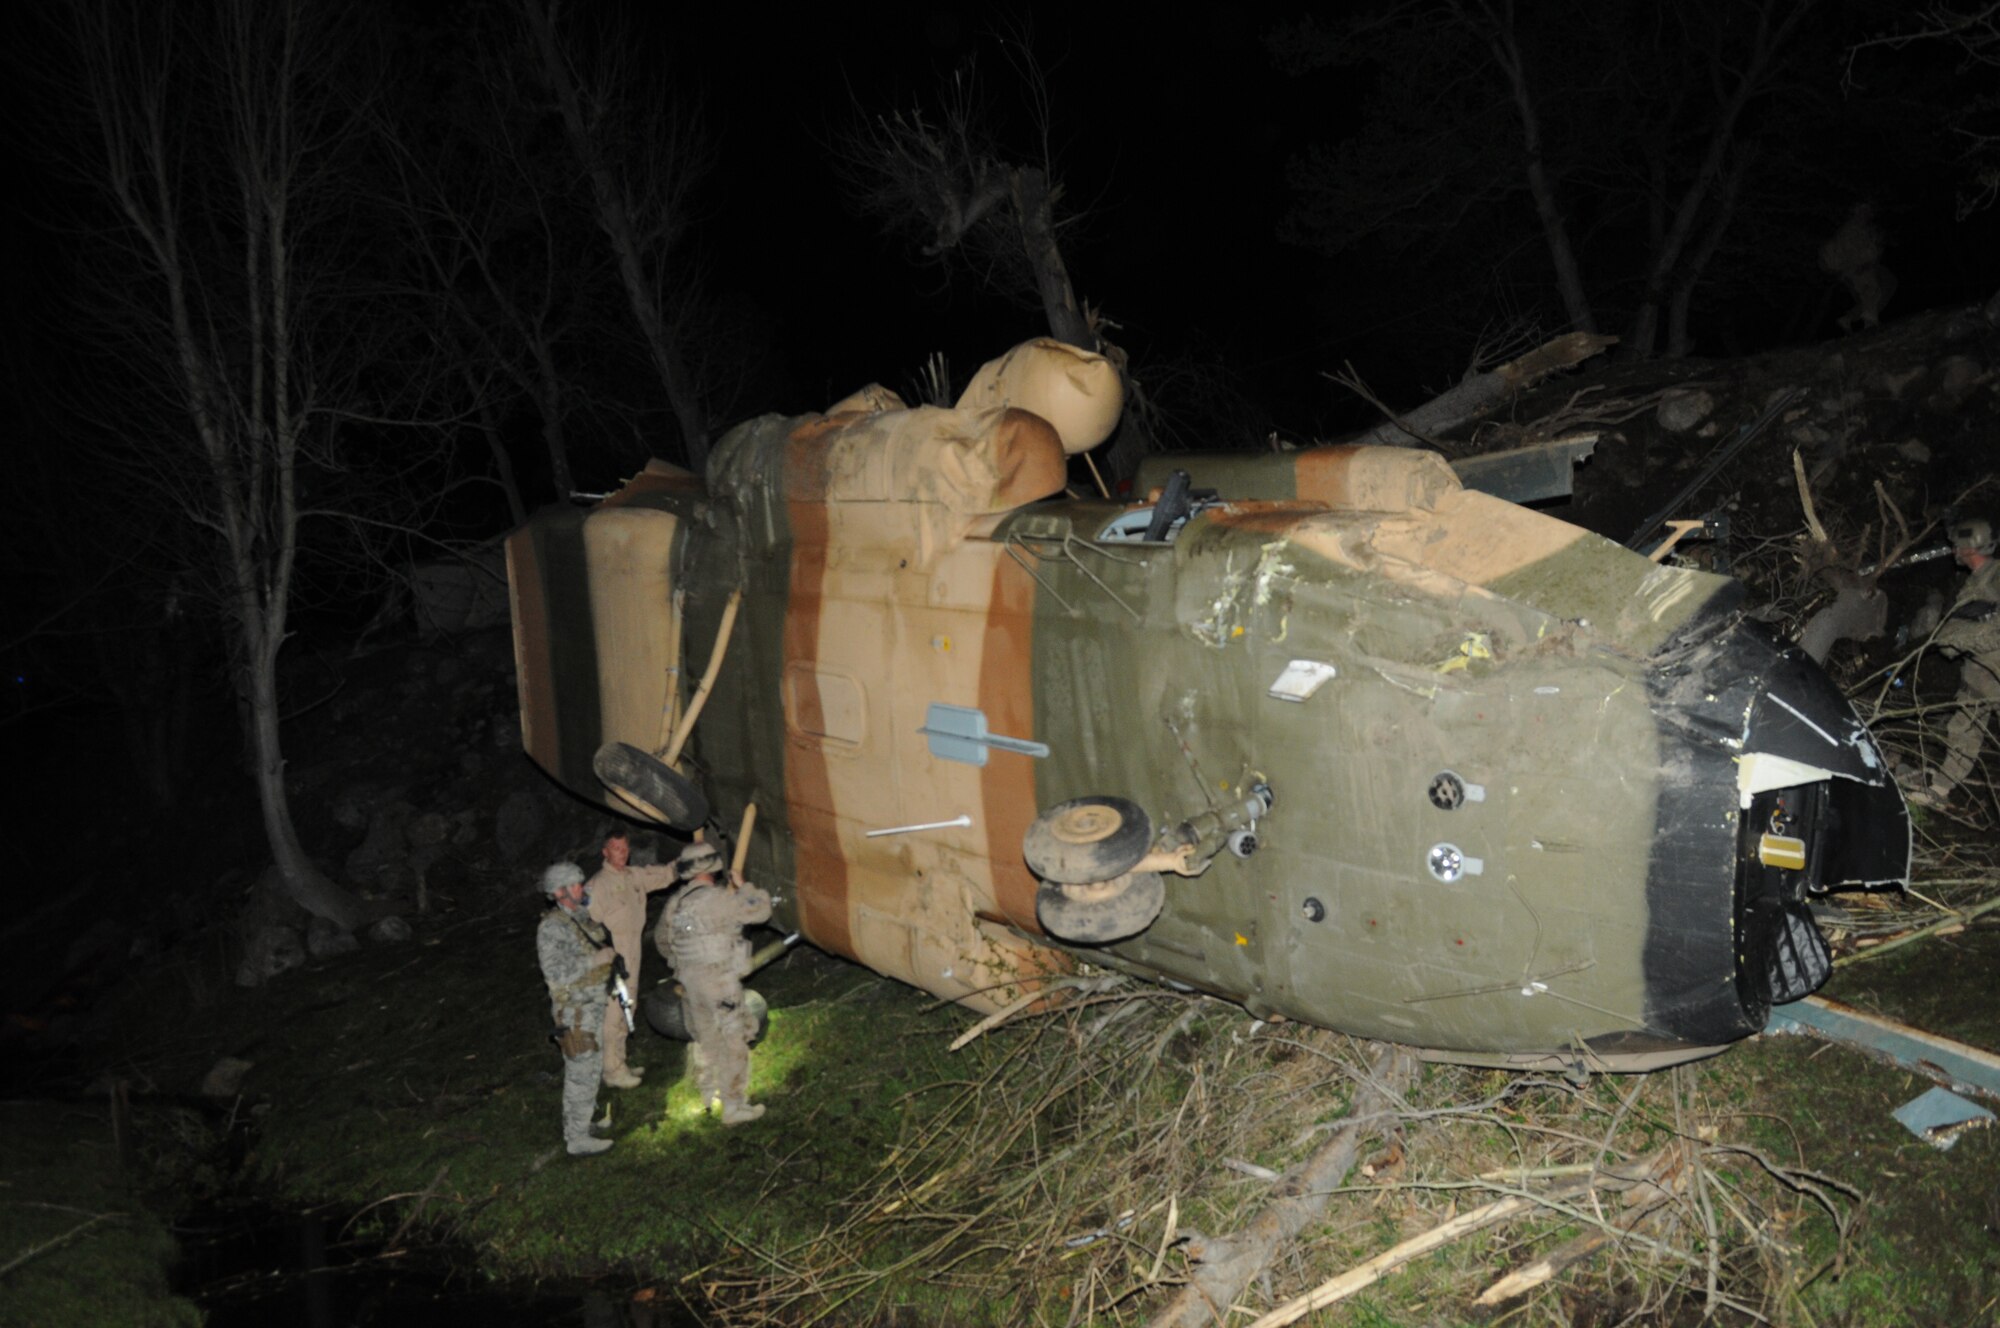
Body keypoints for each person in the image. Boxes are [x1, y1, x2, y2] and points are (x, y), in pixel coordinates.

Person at [655, 844, 773, 1125]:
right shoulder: (719, 899)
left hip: (690, 983)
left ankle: (709, 1095)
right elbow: (760, 911)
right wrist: (743, 886)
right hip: (719, 980)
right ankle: (733, 1106)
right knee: (734, 1038)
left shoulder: (676, 904)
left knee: (706, 1038)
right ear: (712, 867)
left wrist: (682, 964)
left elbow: (662, 941)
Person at [585, 829, 678, 1089]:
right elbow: (586, 925)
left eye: (625, 848)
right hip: (613, 955)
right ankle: (612, 1071)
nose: (622, 854)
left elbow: (662, 875)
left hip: (633, 951)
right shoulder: (598, 885)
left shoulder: (632, 876)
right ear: (605, 852)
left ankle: (619, 1062)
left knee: (628, 1007)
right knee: (613, 1013)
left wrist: (685, 864)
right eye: (616, 849)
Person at [537, 861, 616, 1156]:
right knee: (581, 1072)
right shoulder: (551, 928)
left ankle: (583, 1122)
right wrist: (594, 962)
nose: (581, 888)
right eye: (575, 885)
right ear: (560, 891)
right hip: (574, 1012)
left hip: (590, 1005)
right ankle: (577, 1138)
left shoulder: (578, 918)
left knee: (592, 1067)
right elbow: (556, 973)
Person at [1925, 517, 2000, 805]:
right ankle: (1940, 789)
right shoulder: (1974, 582)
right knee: (1962, 731)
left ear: (1970, 547)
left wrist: (1958, 639)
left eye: (1958, 544)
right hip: (1979, 677)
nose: (1954, 549)